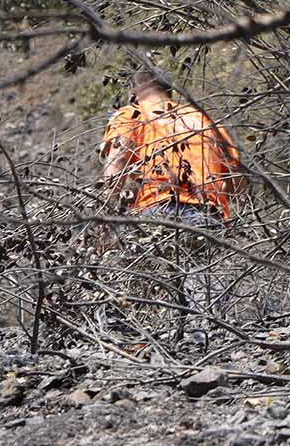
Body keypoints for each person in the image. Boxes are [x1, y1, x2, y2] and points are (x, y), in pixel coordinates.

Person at [99, 67, 246, 345]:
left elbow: (115, 167)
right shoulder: (202, 117)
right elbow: (237, 180)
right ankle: (205, 347)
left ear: (133, 93)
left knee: (138, 285)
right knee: (202, 282)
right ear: (170, 92)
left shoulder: (131, 115)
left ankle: (150, 347)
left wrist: (107, 214)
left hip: (156, 209)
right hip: (207, 211)